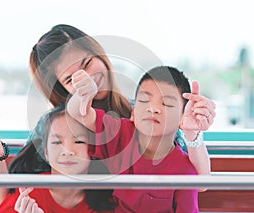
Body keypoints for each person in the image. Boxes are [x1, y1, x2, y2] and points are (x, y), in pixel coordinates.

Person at [0, 24, 215, 206]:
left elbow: (194, 177)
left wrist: (194, 131)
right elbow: (11, 199)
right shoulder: (56, 127)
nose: (85, 78)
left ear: (100, 55)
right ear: (61, 88)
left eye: (87, 63)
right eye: (70, 78)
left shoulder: (144, 114)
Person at [67, 66, 212, 212]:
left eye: (166, 104)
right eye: (144, 100)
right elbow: (78, 113)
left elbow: (200, 186)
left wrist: (192, 130)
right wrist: (84, 95)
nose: (153, 108)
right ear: (133, 113)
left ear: (182, 118)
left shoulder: (183, 170)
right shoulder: (120, 134)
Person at [0, 106, 116, 212]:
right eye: (57, 143)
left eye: (79, 141)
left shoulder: (105, 199)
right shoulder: (28, 194)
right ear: (46, 153)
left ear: (94, 151)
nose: (67, 151)